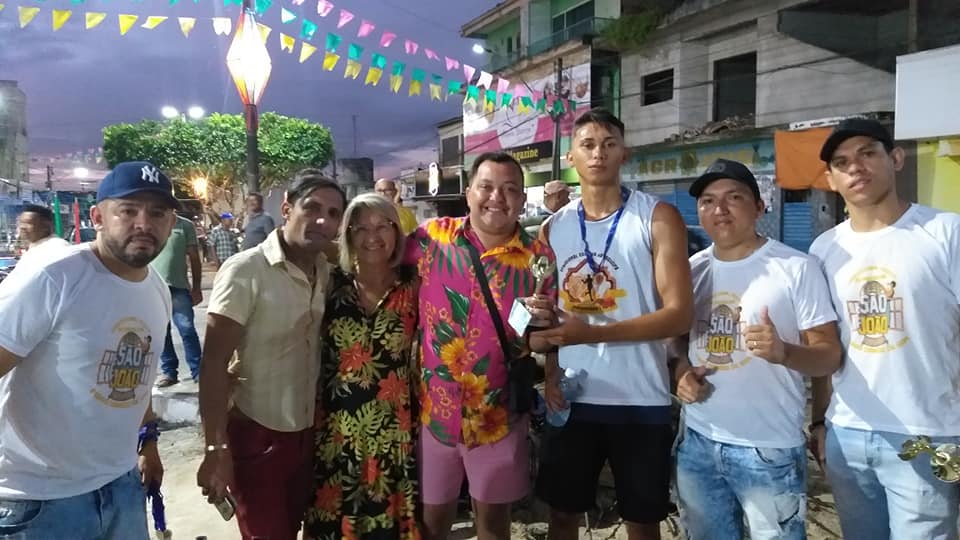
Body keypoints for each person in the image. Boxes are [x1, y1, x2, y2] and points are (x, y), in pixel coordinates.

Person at [531, 108, 693, 540]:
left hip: (641, 399)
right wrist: (551, 373)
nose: (598, 153)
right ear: (571, 157)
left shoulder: (657, 217)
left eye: (609, 144)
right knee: (561, 516)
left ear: (625, 153)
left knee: (643, 521)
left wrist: (594, 334)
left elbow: (679, 314)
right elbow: (549, 313)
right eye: (587, 145)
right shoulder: (552, 228)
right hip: (572, 399)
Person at [0, 161, 176, 539]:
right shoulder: (55, 278)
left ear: (171, 223)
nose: (144, 223)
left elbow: (139, 377)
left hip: (121, 486)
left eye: (157, 213)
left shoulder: (157, 290)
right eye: (128, 211)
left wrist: (148, 441)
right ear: (98, 217)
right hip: (38, 501)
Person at [672, 158, 842, 540]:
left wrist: (786, 353)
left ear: (760, 207)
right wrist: (680, 372)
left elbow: (829, 355)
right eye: (708, 200)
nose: (720, 209)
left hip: (769, 449)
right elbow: (676, 342)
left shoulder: (796, 268)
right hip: (698, 441)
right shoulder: (691, 270)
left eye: (734, 197)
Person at [808, 118, 960, 540]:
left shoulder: (945, 232)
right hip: (847, 434)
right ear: (831, 180)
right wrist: (820, 421)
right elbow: (824, 343)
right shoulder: (824, 249)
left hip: (930, 433)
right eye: (841, 163)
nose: (855, 167)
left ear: (895, 159)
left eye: (867, 153)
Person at [407, 152, 556, 540]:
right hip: (435, 415)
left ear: (522, 199)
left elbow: (542, 337)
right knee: (431, 522)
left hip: (499, 417)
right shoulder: (430, 238)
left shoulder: (538, 259)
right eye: (486, 187)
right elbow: (378, 263)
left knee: (493, 524)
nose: (497, 198)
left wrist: (545, 329)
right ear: (469, 192)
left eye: (510, 189)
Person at [197, 170, 345, 540]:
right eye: (312, 208)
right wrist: (216, 447)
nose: (322, 220)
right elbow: (213, 364)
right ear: (286, 208)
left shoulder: (326, 270)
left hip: (310, 435)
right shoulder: (246, 270)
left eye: (333, 213)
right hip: (257, 434)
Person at [304, 193, 420, 540]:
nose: (373, 236)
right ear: (349, 234)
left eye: (383, 226)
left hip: (392, 431)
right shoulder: (330, 282)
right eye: (362, 228)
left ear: (397, 232)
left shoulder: (414, 284)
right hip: (336, 430)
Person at [152, 213, 204, 387]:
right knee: (161, 332)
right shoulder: (151, 222)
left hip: (178, 287)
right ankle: (169, 371)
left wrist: (197, 287)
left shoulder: (185, 225)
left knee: (187, 329)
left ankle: (199, 371)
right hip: (154, 288)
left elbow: (194, 257)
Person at [11, 203, 70, 272]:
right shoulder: (35, 247)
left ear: (45, 226)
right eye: (21, 223)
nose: (22, 227)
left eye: (28, 223)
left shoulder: (56, 247)